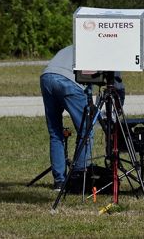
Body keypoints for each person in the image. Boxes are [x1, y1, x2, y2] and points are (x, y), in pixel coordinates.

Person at [39, 45, 93, 191]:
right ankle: (78, 178)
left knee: (55, 132)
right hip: (69, 82)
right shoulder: (97, 48)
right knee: (86, 131)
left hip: (47, 77)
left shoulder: (70, 47)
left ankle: (59, 181)